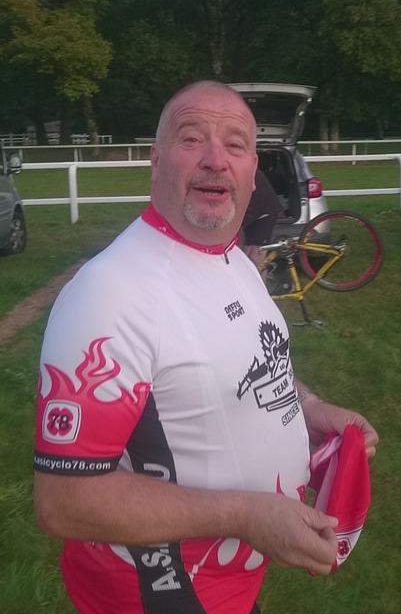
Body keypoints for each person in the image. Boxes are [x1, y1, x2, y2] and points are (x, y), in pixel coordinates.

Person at [34, 81, 378, 614]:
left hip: (232, 587)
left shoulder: (233, 259)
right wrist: (246, 515)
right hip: (159, 594)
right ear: (156, 161)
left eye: (235, 145)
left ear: (252, 170)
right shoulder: (111, 295)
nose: (216, 159)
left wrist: (311, 407)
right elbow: (64, 501)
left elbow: (251, 361)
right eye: (192, 138)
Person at [241, 168, 282, 271]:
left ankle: (261, 280)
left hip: (266, 210)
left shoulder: (244, 171)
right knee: (246, 251)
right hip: (255, 210)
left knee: (257, 253)